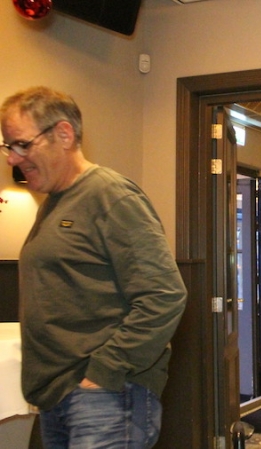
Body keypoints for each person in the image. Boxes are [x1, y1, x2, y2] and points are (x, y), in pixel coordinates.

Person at [1, 86, 187, 449]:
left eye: (22, 144)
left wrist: (105, 371)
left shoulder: (109, 195)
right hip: (62, 395)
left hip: (104, 396)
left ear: (64, 134)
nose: (12, 158)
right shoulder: (56, 203)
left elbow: (164, 295)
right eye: (8, 146)